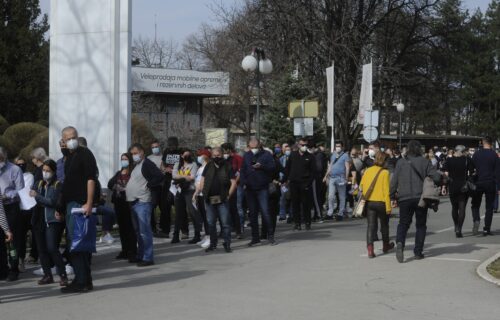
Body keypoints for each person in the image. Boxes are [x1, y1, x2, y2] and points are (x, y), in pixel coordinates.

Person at [59, 127, 98, 293]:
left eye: (73, 137)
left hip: (79, 204)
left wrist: (89, 202)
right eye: (68, 138)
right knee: (77, 243)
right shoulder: (69, 156)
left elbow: (91, 179)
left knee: (76, 243)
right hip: (70, 203)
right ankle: (84, 280)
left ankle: (81, 281)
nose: (71, 140)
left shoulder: (85, 153)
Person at [390, 140, 441, 263]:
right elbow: (437, 177)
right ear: (419, 149)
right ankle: (418, 252)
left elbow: (394, 181)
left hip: (404, 198)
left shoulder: (401, 162)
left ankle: (400, 243)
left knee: (403, 223)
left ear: (407, 149)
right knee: (421, 225)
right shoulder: (425, 161)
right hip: (420, 198)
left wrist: (392, 195)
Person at [30, 159, 68, 286]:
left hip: (52, 220)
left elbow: (52, 202)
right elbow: (30, 194)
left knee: (52, 247)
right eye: (43, 170)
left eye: (48, 171)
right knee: (41, 249)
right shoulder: (39, 183)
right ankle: (47, 275)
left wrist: (37, 196)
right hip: (38, 219)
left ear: (53, 171)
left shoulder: (57, 185)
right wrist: (35, 195)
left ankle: (62, 274)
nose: (45, 173)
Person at [126, 143, 164, 267]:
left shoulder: (147, 163)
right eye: (132, 154)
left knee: (144, 231)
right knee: (138, 232)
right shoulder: (137, 165)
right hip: (134, 202)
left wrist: (149, 185)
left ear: (142, 152)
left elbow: (159, 176)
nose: (133, 156)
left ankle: (148, 257)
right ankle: (141, 255)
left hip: (142, 202)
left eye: (135, 153)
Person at [197, 147, 237, 253]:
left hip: (223, 199)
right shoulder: (208, 166)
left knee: (225, 223)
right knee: (211, 223)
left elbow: (233, 182)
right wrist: (201, 192)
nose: (216, 157)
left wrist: (228, 195)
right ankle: (213, 244)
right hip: (209, 199)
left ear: (222, 155)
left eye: (218, 155)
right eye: (214, 155)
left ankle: (227, 243)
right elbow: (202, 180)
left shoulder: (227, 166)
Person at [240, 138, 276, 246]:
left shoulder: (266, 154)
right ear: (249, 144)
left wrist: (262, 166)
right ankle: (255, 238)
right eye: (251, 142)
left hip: (262, 187)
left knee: (265, 212)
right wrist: (243, 183)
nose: (253, 144)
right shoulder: (247, 155)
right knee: (253, 214)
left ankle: (270, 236)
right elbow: (243, 170)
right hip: (250, 188)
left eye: (255, 142)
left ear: (259, 144)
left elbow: (272, 167)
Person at [360, 152, 394, 258]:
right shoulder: (385, 173)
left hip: (370, 202)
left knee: (371, 226)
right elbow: (386, 191)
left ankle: (370, 250)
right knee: (384, 225)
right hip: (381, 202)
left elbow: (362, 186)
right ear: (383, 161)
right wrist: (389, 207)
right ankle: (385, 246)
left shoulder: (367, 170)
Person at [0, 146, 24, 282]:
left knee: (12, 240)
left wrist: (7, 195)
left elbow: (21, 190)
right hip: (0, 207)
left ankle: (14, 268)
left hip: (11, 206)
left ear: (4, 157)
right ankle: (3, 268)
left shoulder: (14, 169)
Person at [108, 153, 138, 262]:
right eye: (122, 159)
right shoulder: (118, 173)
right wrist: (116, 186)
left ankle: (133, 251)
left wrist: (126, 188)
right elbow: (110, 184)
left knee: (130, 228)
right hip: (119, 203)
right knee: (122, 229)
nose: (123, 161)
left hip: (129, 203)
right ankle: (124, 250)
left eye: (125, 159)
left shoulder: (133, 173)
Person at [284, 138, 316, 230]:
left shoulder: (310, 157)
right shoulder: (293, 155)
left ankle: (307, 222)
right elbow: (287, 168)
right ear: (298, 145)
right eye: (302, 145)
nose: (304, 146)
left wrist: (308, 183)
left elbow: (313, 172)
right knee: (295, 204)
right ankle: (297, 223)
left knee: (306, 204)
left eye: (306, 145)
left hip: (305, 183)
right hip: (294, 183)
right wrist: (284, 180)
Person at [171, 149, 202, 244]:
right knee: (178, 213)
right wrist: (185, 177)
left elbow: (192, 177)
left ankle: (197, 235)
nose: (187, 156)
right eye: (185, 154)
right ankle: (176, 235)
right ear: (181, 155)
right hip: (179, 190)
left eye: (189, 154)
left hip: (190, 190)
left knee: (193, 211)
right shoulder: (177, 164)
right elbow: (174, 175)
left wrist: (181, 178)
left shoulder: (193, 164)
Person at [443, 145, 474, 238]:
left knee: (454, 207)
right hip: (463, 186)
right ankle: (459, 228)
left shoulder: (449, 160)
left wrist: (444, 186)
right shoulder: (467, 159)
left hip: (452, 186)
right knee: (462, 208)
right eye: (464, 151)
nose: (465, 152)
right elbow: (472, 172)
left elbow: (446, 175)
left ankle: (456, 225)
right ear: (461, 151)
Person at [471, 136, 497, 236]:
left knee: (475, 204)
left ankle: (476, 219)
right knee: (489, 206)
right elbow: (497, 171)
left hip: (478, 181)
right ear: (491, 143)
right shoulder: (494, 155)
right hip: (490, 182)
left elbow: (472, 168)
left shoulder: (477, 154)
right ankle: (487, 228)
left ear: (482, 142)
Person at [14, 157, 36, 271]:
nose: (21, 166)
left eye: (23, 164)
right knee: (21, 237)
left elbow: (25, 189)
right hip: (19, 210)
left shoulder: (29, 176)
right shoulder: (13, 176)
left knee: (35, 234)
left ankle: (35, 255)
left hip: (30, 208)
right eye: (19, 165)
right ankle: (20, 260)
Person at [162, 137, 183, 239]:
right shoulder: (166, 152)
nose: (171, 148)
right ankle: (166, 230)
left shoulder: (180, 152)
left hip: (177, 181)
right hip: (167, 180)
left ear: (176, 145)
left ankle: (184, 230)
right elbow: (163, 164)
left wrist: (176, 172)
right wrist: (166, 169)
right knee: (166, 206)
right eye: (169, 146)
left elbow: (184, 166)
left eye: (173, 146)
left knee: (179, 206)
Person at [221, 143, 244, 238]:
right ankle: (228, 229)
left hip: (236, 185)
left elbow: (240, 172)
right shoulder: (222, 160)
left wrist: (234, 182)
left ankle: (239, 229)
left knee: (236, 208)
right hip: (224, 186)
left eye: (225, 150)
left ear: (229, 150)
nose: (224, 152)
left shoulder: (237, 158)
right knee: (226, 209)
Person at [324, 141, 350, 221]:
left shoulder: (345, 155)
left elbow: (347, 167)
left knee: (341, 197)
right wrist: (326, 175)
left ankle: (340, 213)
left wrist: (346, 178)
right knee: (330, 196)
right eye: (336, 146)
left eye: (339, 146)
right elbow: (330, 166)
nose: (337, 147)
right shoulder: (333, 155)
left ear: (342, 147)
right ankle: (330, 212)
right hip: (332, 177)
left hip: (341, 178)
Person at [193, 149, 211, 249]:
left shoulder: (207, 168)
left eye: (199, 155)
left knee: (207, 217)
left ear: (204, 156)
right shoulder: (200, 168)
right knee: (203, 217)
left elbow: (202, 183)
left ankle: (210, 237)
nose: (198, 157)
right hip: (199, 194)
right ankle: (207, 236)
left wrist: (195, 193)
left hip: (203, 194)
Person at [147, 139, 165, 236]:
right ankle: (153, 228)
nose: (155, 149)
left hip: (162, 186)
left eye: (156, 147)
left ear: (159, 147)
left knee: (163, 207)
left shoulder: (164, 158)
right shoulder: (148, 158)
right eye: (153, 147)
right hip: (153, 187)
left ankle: (162, 228)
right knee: (152, 206)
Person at [312, 144, 328, 222]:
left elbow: (319, 168)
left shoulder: (318, 155)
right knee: (317, 197)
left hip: (316, 179)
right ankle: (316, 215)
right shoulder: (319, 155)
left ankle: (318, 215)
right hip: (318, 178)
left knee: (316, 197)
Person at [279, 144, 292, 222]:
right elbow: (280, 170)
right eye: (286, 150)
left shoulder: (293, 159)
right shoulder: (281, 159)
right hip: (283, 182)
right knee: (282, 198)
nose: (288, 151)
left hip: (290, 181)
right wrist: (282, 180)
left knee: (291, 199)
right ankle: (282, 215)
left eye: (289, 150)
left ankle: (291, 214)